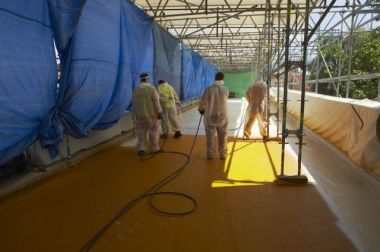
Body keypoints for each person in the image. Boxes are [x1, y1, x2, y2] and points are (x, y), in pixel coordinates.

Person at [198, 72, 229, 160]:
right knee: (223, 136)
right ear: (223, 79)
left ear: (215, 78)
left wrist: (201, 109)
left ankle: (210, 154)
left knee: (210, 136)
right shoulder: (225, 89)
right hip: (223, 116)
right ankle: (223, 154)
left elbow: (202, 101)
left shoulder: (208, 89)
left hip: (210, 116)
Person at [132, 73, 163, 156]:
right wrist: (159, 112)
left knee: (141, 132)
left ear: (140, 79)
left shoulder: (136, 89)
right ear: (147, 79)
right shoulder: (151, 88)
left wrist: (135, 114)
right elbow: (156, 102)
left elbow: (134, 103)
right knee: (153, 131)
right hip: (151, 115)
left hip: (140, 116)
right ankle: (154, 148)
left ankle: (141, 148)